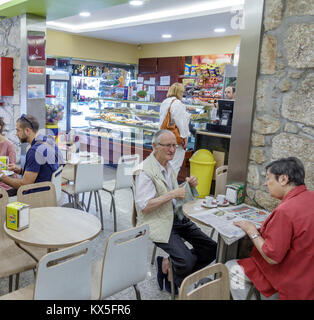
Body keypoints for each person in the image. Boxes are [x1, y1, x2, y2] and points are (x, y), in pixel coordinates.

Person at [133, 129, 217, 294]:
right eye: (167, 146)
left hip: (175, 217)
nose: (172, 150)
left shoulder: (168, 165)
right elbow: (144, 206)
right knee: (187, 260)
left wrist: (186, 186)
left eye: (174, 145)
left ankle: (170, 265)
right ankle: (176, 277)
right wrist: (173, 193)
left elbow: (170, 193)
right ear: (155, 146)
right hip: (156, 221)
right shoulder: (145, 171)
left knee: (211, 248)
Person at [226, 157, 314, 300]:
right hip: (307, 274)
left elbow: (272, 257)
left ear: (283, 179)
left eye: (268, 178)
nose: (266, 184)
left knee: (231, 268)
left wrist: (252, 231)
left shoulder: (285, 211)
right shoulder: (310, 197)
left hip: (290, 278)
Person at [0, 114, 64, 196]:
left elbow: (25, 185)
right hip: (50, 193)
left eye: (18, 130)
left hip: (38, 197)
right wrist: (19, 170)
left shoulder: (35, 151)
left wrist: (0, 176)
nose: (16, 134)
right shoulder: (48, 141)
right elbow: (40, 173)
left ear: (28, 131)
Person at [159, 82, 190, 174]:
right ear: (179, 92)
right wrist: (185, 138)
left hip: (163, 137)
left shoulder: (165, 102)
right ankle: (169, 187)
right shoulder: (177, 103)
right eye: (182, 92)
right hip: (174, 139)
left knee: (164, 164)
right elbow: (182, 123)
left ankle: (162, 186)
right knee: (174, 166)